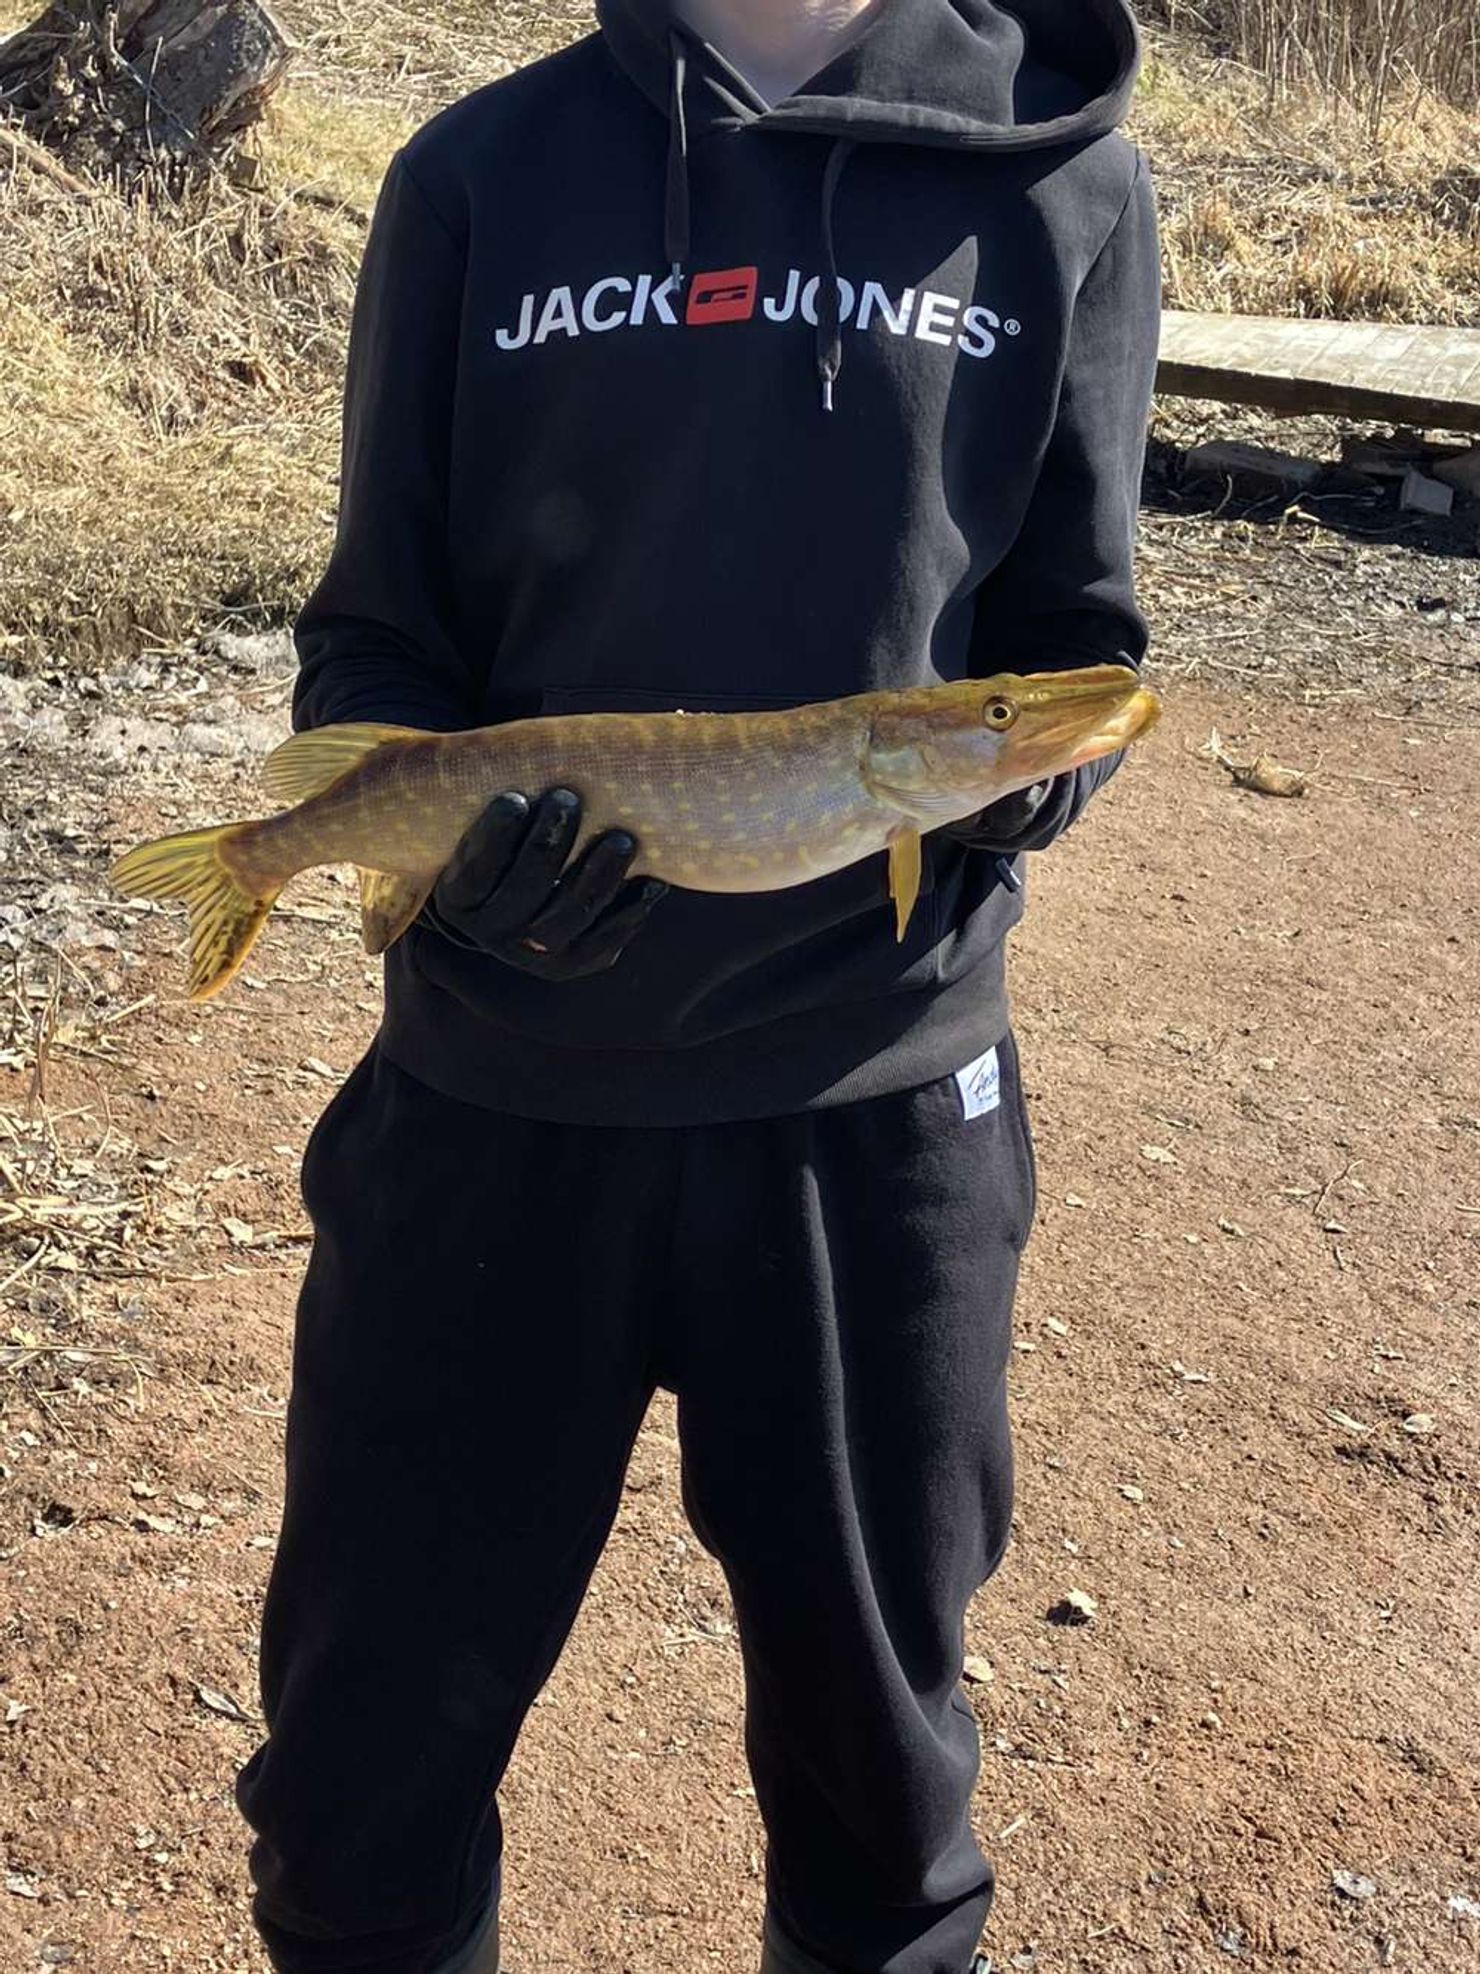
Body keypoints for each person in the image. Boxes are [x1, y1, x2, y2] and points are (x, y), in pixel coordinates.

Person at [233, 0, 1161, 1967]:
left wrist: (1025, 786)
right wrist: (459, 877)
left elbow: (1078, 640)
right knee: (354, 1807)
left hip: (874, 1133)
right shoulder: (476, 175)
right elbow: (375, 638)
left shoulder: (1066, 181)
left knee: (878, 1826)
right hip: (487, 1112)